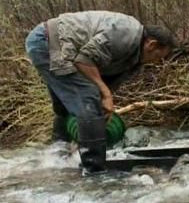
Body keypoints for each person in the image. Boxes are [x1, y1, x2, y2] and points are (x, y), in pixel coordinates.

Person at [25, 10, 175, 175]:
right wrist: (104, 97)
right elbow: (84, 60)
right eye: (158, 57)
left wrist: (104, 102)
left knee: (68, 106)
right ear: (151, 44)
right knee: (88, 98)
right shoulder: (125, 35)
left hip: (58, 46)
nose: (156, 62)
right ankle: (95, 171)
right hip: (47, 42)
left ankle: (58, 157)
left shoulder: (134, 56)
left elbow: (106, 83)